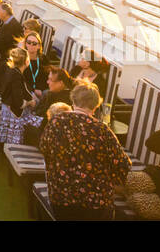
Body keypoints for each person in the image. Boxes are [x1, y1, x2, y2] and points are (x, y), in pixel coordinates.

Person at [38, 82, 130, 220]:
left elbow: (44, 149)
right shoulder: (102, 130)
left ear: (73, 100)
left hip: (62, 195)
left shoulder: (56, 122)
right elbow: (123, 165)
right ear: (96, 105)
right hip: (96, 201)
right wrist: (109, 180)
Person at [0, 47, 43, 144]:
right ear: (27, 61)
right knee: (41, 122)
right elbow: (19, 102)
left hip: (6, 109)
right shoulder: (16, 77)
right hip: (14, 114)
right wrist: (29, 102)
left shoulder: (10, 71)